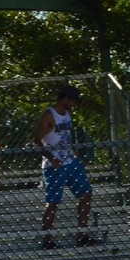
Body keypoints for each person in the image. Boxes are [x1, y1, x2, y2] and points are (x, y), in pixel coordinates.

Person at [35, 84, 95, 249]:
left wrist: (76, 156)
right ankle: (46, 239)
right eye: (73, 100)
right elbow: (37, 141)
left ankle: (82, 235)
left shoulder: (67, 115)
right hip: (54, 164)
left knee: (86, 194)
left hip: (70, 161)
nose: (74, 104)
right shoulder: (49, 114)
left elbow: (66, 138)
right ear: (65, 98)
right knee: (53, 201)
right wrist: (51, 158)